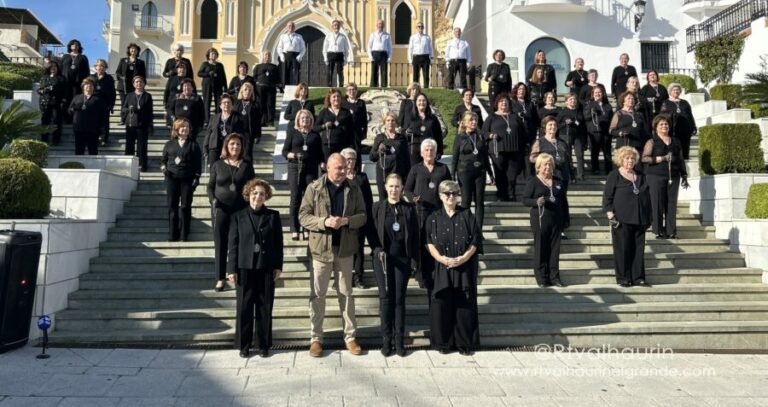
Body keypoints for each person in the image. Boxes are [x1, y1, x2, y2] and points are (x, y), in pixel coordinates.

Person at [299, 153, 367, 357]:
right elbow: (302, 216)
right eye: (338, 168)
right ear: (327, 168)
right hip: (320, 250)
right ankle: (316, 338)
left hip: (345, 249)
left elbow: (363, 216)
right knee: (318, 295)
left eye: (345, 167)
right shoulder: (314, 188)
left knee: (346, 293)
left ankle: (350, 337)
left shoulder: (354, 188)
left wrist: (346, 221)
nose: (343, 171)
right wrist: (324, 222)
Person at [227, 178, 283, 358]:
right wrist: (231, 269)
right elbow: (233, 245)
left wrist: (278, 266)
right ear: (248, 195)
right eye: (254, 193)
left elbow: (278, 244)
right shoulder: (237, 216)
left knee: (264, 307)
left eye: (261, 194)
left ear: (266, 196)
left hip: (266, 267)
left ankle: (263, 345)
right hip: (244, 267)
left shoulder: (273, 216)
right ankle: (244, 345)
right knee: (244, 307)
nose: (257, 197)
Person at [426, 180, 482, 355]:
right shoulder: (433, 217)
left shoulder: (467, 215)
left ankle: (464, 343)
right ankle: (443, 343)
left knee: (463, 306)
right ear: (441, 196)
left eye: (454, 193)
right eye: (447, 193)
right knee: (442, 305)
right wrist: (442, 259)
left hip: (463, 268)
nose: (451, 196)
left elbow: (475, 240)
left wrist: (464, 258)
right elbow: (428, 242)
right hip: (442, 268)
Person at [370, 173, 420, 356]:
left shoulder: (409, 209)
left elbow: (415, 236)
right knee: (385, 299)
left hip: (402, 260)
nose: (394, 190)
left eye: (397, 186)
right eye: (391, 186)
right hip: (382, 260)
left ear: (402, 188)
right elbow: (371, 233)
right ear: (385, 187)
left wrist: (414, 259)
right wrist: (376, 250)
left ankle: (399, 341)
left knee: (399, 300)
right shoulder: (377, 208)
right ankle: (386, 340)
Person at [208, 133, 256, 292]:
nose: (235, 147)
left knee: (239, 243)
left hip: (241, 210)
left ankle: (235, 273)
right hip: (221, 209)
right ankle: (220, 278)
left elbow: (253, 187)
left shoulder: (247, 165)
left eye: (238, 144)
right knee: (220, 244)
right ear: (226, 146)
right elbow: (210, 186)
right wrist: (213, 200)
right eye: (232, 144)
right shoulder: (217, 164)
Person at [404, 139, 452, 289]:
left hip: (439, 212)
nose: (429, 152)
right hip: (421, 212)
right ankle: (421, 274)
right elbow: (407, 190)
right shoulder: (416, 169)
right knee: (422, 243)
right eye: (426, 150)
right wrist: (413, 198)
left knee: (438, 242)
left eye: (432, 150)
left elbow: (450, 188)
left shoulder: (443, 169)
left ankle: (438, 272)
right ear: (421, 152)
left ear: (436, 152)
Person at [603, 146, 652, 287]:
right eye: (626, 158)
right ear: (620, 159)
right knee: (622, 250)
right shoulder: (614, 175)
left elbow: (647, 197)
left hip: (639, 218)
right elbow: (607, 198)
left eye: (632, 158)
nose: (630, 161)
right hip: (621, 219)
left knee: (638, 249)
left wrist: (649, 217)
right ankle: (623, 277)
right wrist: (610, 215)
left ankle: (638, 277)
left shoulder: (641, 176)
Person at [522, 153, 568, 287]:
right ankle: (542, 278)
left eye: (550, 164)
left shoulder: (558, 181)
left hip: (556, 219)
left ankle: (554, 277)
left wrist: (565, 219)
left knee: (555, 249)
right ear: (538, 167)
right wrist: (536, 201)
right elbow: (524, 200)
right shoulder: (533, 181)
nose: (548, 167)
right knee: (541, 248)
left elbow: (564, 202)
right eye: (545, 164)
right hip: (540, 219)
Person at [642, 115, 689, 239]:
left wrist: (684, 174)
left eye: (666, 124)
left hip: (673, 175)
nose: (664, 126)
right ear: (656, 127)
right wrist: (659, 158)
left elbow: (680, 158)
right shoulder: (652, 141)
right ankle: (658, 230)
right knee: (657, 203)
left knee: (671, 203)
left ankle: (671, 231)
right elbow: (644, 158)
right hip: (655, 175)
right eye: (661, 124)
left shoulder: (676, 141)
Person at [282, 109, 323, 241]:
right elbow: (284, 151)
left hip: (310, 169)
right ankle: (295, 229)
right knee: (295, 198)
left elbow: (320, 153)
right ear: (298, 120)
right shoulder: (293, 133)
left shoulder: (315, 135)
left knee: (309, 198)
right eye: (302, 118)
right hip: (295, 167)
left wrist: (323, 163)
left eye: (307, 118)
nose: (305, 120)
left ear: (311, 120)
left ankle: (307, 228)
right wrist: (292, 155)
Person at [160, 119, 203, 242]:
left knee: (185, 207)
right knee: (172, 207)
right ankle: (172, 235)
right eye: (182, 127)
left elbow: (197, 164)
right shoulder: (169, 144)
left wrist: (197, 178)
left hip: (187, 180)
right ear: (176, 129)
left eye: (187, 127)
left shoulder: (194, 144)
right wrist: (164, 170)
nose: (185, 129)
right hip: (172, 179)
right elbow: (163, 160)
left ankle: (184, 234)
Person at [483, 93, 525, 201]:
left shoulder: (515, 116)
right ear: (497, 104)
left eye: (506, 102)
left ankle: (511, 194)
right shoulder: (492, 117)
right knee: (500, 174)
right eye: (501, 101)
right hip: (498, 149)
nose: (504, 103)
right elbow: (484, 132)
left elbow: (522, 132)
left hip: (514, 150)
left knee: (512, 175)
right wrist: (491, 135)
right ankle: (502, 194)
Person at [452, 111, 492, 227]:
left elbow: (485, 156)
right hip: (464, 172)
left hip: (480, 172)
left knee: (479, 202)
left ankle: (478, 229)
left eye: (475, 120)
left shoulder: (480, 136)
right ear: (464, 122)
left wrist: (490, 173)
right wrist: (452, 175)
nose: (474, 122)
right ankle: (466, 227)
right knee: (466, 201)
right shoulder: (460, 137)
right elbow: (455, 158)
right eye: (471, 120)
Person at [341, 148, 374, 289]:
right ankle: (343, 278)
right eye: (348, 159)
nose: (350, 162)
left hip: (359, 219)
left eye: (353, 159)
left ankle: (358, 278)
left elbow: (369, 199)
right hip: (342, 219)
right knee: (342, 250)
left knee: (359, 249)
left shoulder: (362, 177)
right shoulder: (339, 176)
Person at [371, 112, 410, 199]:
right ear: (384, 123)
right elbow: (372, 157)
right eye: (388, 120)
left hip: (397, 172)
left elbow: (406, 158)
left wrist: (407, 177)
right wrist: (379, 151)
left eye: (393, 120)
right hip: (383, 173)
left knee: (396, 198)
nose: (390, 123)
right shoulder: (379, 137)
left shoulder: (401, 138)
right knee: (383, 199)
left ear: (396, 123)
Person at [204, 94, 246, 167]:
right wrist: (205, 148)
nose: (226, 104)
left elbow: (241, 135)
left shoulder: (238, 118)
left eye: (229, 102)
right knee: (214, 169)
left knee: (228, 169)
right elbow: (209, 133)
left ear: (232, 105)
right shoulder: (214, 117)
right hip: (214, 148)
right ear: (220, 106)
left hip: (230, 148)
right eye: (224, 103)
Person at [121, 76, 153, 172]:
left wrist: (150, 125)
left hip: (142, 125)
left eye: (141, 82)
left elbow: (150, 111)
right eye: (137, 82)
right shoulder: (129, 95)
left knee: (142, 146)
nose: (139, 83)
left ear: (144, 83)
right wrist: (130, 109)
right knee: (129, 145)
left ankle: (142, 165)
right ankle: (128, 165)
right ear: (133, 84)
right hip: (131, 124)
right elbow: (123, 108)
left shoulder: (148, 96)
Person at [313, 88, 354, 160]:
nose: (336, 98)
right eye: (334, 97)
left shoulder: (346, 112)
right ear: (329, 99)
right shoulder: (324, 112)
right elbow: (315, 128)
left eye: (338, 96)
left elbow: (351, 130)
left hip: (343, 146)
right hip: (328, 146)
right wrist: (324, 126)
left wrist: (350, 146)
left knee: (341, 167)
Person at [69, 78, 105, 156]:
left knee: (93, 151)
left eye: (91, 85)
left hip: (93, 129)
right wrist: (74, 108)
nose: (88, 86)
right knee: (79, 151)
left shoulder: (98, 99)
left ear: (93, 87)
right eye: (86, 84)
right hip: (79, 129)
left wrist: (102, 129)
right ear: (83, 86)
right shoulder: (77, 97)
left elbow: (102, 115)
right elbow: (69, 110)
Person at [660, 83, 697, 159]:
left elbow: (690, 115)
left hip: (685, 128)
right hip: (673, 129)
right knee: (674, 148)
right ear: (670, 91)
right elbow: (662, 116)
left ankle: (685, 162)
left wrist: (693, 126)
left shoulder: (685, 103)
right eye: (674, 90)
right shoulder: (666, 103)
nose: (676, 91)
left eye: (677, 90)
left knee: (685, 147)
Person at [584, 86, 614, 174]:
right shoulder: (589, 104)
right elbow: (586, 117)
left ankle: (609, 170)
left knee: (607, 152)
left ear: (603, 94)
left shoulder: (607, 105)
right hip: (594, 131)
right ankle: (595, 169)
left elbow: (611, 118)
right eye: (596, 92)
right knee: (595, 151)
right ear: (593, 95)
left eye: (599, 92)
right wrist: (593, 113)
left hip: (605, 132)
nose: (598, 94)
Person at [556, 93, 586, 181]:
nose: (573, 101)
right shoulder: (562, 112)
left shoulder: (579, 111)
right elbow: (557, 125)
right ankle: (569, 174)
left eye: (574, 99)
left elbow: (582, 125)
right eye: (570, 99)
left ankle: (581, 175)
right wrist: (565, 123)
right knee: (567, 155)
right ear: (566, 102)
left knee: (580, 155)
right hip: (565, 135)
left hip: (578, 135)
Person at [407, 94, 443, 165]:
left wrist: (439, 151)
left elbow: (438, 135)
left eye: (424, 100)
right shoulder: (410, 118)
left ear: (427, 103)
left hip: (429, 150)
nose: (422, 102)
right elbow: (405, 132)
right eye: (419, 100)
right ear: (416, 103)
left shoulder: (433, 118)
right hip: (414, 151)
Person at [60, 39, 90, 121]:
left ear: (79, 47)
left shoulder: (83, 57)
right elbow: (60, 69)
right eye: (73, 44)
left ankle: (75, 118)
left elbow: (87, 71)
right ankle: (66, 119)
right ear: (70, 46)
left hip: (78, 84)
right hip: (66, 83)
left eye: (77, 44)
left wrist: (86, 83)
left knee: (76, 100)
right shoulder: (65, 57)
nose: (75, 46)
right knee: (66, 100)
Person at [89, 59, 117, 146]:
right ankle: (94, 138)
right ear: (95, 67)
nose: (100, 67)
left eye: (102, 66)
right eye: (98, 65)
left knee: (104, 123)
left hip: (104, 103)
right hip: (93, 103)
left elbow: (112, 93)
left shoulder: (109, 78)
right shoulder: (91, 77)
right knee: (93, 122)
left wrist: (111, 105)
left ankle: (104, 139)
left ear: (105, 68)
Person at [38, 60, 66, 145]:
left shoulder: (61, 78)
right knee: (45, 121)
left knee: (57, 121)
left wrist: (63, 100)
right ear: (48, 68)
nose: (53, 68)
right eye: (51, 66)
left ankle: (56, 140)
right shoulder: (44, 77)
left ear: (57, 68)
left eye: (55, 66)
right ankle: (44, 140)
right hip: (45, 102)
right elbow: (41, 89)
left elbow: (65, 91)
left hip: (57, 103)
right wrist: (43, 90)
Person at [198, 48, 227, 126]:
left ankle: (218, 119)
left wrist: (225, 87)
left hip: (218, 85)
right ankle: (206, 120)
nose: (214, 55)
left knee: (218, 102)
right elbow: (199, 73)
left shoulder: (220, 65)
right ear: (209, 55)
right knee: (207, 101)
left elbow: (223, 76)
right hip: (207, 85)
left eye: (215, 54)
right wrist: (208, 74)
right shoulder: (205, 64)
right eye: (212, 54)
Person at [234, 83, 262, 163]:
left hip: (248, 134)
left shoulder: (255, 105)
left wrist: (258, 135)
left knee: (247, 154)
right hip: (236, 133)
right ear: (242, 91)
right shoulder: (236, 103)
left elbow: (258, 122)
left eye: (250, 91)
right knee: (236, 154)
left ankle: (248, 173)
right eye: (245, 90)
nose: (247, 92)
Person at [253, 51, 282, 126]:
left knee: (270, 105)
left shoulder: (275, 67)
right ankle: (261, 121)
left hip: (271, 88)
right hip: (260, 88)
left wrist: (280, 87)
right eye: (266, 55)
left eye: (269, 55)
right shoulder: (258, 66)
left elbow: (278, 78)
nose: (267, 56)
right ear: (263, 56)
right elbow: (254, 78)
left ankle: (270, 121)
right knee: (260, 105)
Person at [343, 82, 368, 158]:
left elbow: (364, 118)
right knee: (346, 152)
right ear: (347, 92)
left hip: (357, 132)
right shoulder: (344, 103)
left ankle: (357, 169)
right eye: (349, 90)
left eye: (353, 89)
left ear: (356, 91)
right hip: (346, 132)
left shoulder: (361, 103)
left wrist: (364, 132)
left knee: (357, 152)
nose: (352, 92)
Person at [323, 20, 351, 87]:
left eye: (338, 25)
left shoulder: (343, 37)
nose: (336, 26)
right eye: (335, 25)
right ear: (332, 26)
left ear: (340, 26)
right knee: (330, 71)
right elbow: (325, 47)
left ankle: (341, 85)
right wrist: (325, 58)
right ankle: (329, 86)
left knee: (340, 71)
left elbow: (346, 48)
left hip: (340, 55)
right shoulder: (328, 35)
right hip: (331, 54)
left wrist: (346, 59)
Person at [163, 62, 190, 127]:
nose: (182, 70)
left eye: (184, 68)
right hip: (171, 102)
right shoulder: (171, 78)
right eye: (180, 68)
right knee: (172, 123)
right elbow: (167, 90)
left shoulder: (188, 80)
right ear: (177, 70)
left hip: (182, 104)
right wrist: (165, 101)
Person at [408, 21, 434, 88]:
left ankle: (426, 87)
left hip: (425, 57)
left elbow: (430, 48)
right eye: (419, 26)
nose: (420, 28)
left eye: (422, 27)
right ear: (416, 28)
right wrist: (410, 59)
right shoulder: (413, 37)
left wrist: (432, 58)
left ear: (423, 28)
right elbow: (410, 48)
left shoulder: (427, 37)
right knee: (415, 75)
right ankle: (415, 88)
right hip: (416, 57)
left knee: (426, 74)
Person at [368, 19, 392, 88]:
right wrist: (370, 56)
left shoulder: (387, 35)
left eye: (381, 24)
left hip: (384, 54)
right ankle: (373, 86)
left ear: (383, 25)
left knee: (384, 71)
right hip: (375, 53)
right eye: (379, 24)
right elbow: (369, 46)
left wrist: (390, 56)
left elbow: (390, 47)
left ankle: (384, 86)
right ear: (376, 25)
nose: (380, 25)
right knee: (374, 71)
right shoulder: (373, 34)